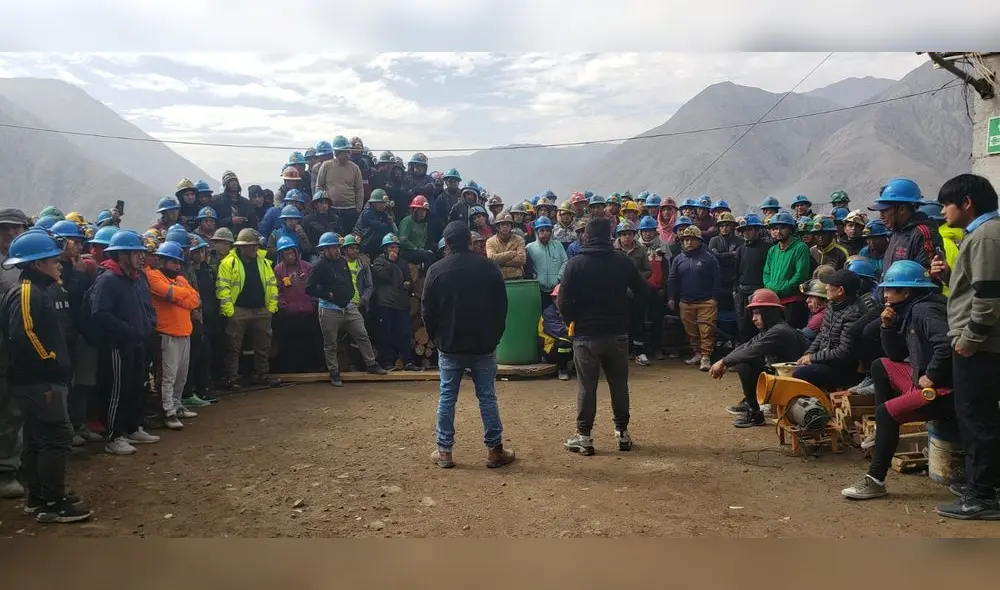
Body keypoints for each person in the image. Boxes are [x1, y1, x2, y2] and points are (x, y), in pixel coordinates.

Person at [840, 260, 954, 501]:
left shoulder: (924, 310)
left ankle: (875, 480)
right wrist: (887, 326)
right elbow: (894, 355)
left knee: (887, 413)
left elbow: (946, 344)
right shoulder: (909, 310)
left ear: (907, 292)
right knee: (880, 365)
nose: (885, 294)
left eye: (890, 289)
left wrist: (932, 375)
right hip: (921, 379)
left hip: (943, 390)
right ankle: (883, 432)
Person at [0, 230, 92, 522]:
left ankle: (38, 497)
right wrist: (50, 363)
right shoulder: (27, 292)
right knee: (56, 437)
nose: (59, 265)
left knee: (37, 438)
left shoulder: (35, 290)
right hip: (39, 382)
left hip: (35, 381)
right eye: (53, 260)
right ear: (38, 264)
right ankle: (53, 503)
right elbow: (24, 335)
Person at [931, 173, 1000, 520]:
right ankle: (984, 484)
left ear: (967, 202)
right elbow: (975, 288)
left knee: (977, 419)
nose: (943, 211)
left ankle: (982, 496)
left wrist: (968, 339)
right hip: (980, 343)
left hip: (981, 346)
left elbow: (989, 297)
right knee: (980, 416)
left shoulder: (986, 236)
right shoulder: (980, 235)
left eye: (947, 204)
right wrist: (947, 276)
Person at [421, 221, 515, 469]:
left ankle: (444, 452)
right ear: (470, 242)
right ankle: (495, 451)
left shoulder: (436, 270)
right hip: (483, 345)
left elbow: (427, 311)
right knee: (487, 396)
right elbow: (501, 307)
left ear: (447, 244)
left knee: (447, 397)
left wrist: (437, 339)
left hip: (450, 346)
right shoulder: (489, 267)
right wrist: (494, 336)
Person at [557, 217, 647, 456]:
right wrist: (626, 312)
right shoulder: (623, 261)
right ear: (610, 236)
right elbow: (642, 291)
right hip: (617, 333)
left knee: (587, 387)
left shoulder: (575, 264)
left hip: (586, 335)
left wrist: (572, 320)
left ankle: (584, 437)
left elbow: (562, 302)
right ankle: (622, 434)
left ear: (586, 236)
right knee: (619, 384)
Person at [87, 231, 160, 456]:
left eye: (141, 252)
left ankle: (132, 427)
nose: (141, 257)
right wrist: (128, 331)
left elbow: (147, 306)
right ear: (122, 255)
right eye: (136, 253)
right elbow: (100, 315)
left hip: (138, 342)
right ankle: (114, 436)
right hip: (117, 345)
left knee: (135, 387)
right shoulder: (108, 280)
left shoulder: (138, 278)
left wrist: (148, 325)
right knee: (116, 390)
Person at [709, 289, 810, 427]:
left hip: (796, 380)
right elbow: (747, 346)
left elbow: (751, 351)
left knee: (745, 362)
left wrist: (723, 362)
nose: (753, 318)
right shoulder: (771, 329)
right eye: (753, 313)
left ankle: (754, 412)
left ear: (768, 313)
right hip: (784, 375)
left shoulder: (779, 331)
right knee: (745, 359)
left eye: (757, 313)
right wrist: (725, 362)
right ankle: (751, 405)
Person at [306, 233, 386, 387]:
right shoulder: (318, 266)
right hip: (329, 308)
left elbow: (348, 280)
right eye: (334, 248)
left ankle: (371, 364)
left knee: (362, 334)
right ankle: (334, 372)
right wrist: (327, 294)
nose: (337, 250)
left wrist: (349, 294)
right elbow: (309, 288)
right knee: (331, 343)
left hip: (348, 306)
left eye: (338, 247)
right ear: (325, 249)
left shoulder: (342, 261)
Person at [216, 228, 281, 390]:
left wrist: (271, 307)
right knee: (233, 347)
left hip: (261, 309)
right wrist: (229, 311)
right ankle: (231, 378)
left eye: (256, 245)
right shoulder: (228, 263)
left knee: (263, 346)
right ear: (242, 247)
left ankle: (262, 374)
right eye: (252, 246)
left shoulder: (264, 261)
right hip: (239, 310)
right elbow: (222, 287)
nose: (255, 249)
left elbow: (272, 284)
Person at [146, 242, 200, 431]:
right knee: (167, 377)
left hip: (184, 333)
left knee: (180, 376)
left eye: (179, 262)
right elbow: (168, 294)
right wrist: (184, 295)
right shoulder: (153, 275)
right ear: (162, 261)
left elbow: (195, 300)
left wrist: (179, 296)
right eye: (173, 262)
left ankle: (176, 405)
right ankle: (168, 412)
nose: (177, 266)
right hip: (166, 334)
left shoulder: (180, 278)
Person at [792, 269, 863, 390]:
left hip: (843, 368)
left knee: (801, 373)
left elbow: (843, 352)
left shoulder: (854, 313)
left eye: (830, 285)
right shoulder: (832, 305)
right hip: (826, 359)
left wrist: (813, 358)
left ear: (840, 290)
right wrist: (809, 353)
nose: (826, 288)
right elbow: (822, 333)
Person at [668, 225, 721, 371]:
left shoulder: (709, 258)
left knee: (706, 331)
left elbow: (717, 279)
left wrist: (714, 299)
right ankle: (697, 353)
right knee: (691, 331)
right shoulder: (678, 259)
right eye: (686, 240)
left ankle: (706, 357)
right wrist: (671, 297)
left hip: (706, 302)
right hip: (685, 302)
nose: (689, 242)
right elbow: (672, 279)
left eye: (692, 239)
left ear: (699, 241)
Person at [271, 236, 321, 374]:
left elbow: (315, 287)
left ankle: (310, 370)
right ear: (281, 255)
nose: (290, 256)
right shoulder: (278, 270)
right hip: (289, 316)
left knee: (309, 343)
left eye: (292, 252)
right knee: (289, 344)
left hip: (308, 313)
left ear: (296, 252)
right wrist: (284, 306)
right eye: (286, 253)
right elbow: (277, 291)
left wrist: (312, 303)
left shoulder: (307, 266)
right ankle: (291, 371)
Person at [371, 234, 420, 371]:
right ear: (385, 248)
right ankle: (387, 362)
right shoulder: (379, 261)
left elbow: (408, 279)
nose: (394, 250)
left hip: (401, 303)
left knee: (404, 333)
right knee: (385, 334)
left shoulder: (403, 262)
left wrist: (408, 284)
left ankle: (408, 362)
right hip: (385, 303)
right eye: (391, 247)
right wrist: (391, 262)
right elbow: (382, 276)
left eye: (396, 247)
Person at [762, 212, 812, 329]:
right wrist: (770, 287)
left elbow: (801, 275)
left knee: (790, 333)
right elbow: (766, 273)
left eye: (782, 228)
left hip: (793, 301)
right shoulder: (772, 250)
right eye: (775, 228)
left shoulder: (801, 247)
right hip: (775, 301)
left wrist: (781, 288)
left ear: (790, 229)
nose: (778, 232)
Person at [613, 220, 652, 365]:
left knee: (638, 320)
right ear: (619, 236)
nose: (627, 237)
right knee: (620, 321)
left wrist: (636, 280)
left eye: (630, 234)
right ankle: (622, 351)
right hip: (618, 293)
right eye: (624, 234)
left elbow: (648, 270)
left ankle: (639, 351)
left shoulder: (640, 250)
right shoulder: (613, 250)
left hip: (637, 292)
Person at [316, 136, 366, 235]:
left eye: (348, 151)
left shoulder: (355, 168)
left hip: (350, 210)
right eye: (344, 152)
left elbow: (359, 190)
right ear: (336, 152)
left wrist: (358, 209)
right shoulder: (326, 166)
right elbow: (319, 186)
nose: (348, 154)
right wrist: (321, 205)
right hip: (331, 210)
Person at [733, 214, 770, 343]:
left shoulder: (767, 248)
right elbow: (736, 272)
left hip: (759, 293)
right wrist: (736, 290)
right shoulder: (741, 249)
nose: (746, 233)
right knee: (743, 327)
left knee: (760, 326)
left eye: (749, 230)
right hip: (742, 293)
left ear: (757, 230)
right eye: (743, 230)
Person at [526, 215, 568, 309]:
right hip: (538, 290)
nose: (545, 233)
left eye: (548, 230)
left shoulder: (558, 245)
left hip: (556, 290)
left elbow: (565, 261)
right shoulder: (530, 247)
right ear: (536, 232)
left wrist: (559, 278)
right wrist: (535, 278)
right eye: (542, 230)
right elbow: (528, 267)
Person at [539, 283, 574, 381]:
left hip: (570, 340)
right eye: (558, 298)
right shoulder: (549, 314)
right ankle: (562, 369)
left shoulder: (570, 311)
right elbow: (561, 333)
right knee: (564, 344)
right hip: (550, 349)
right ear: (553, 299)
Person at [354, 189, 398, 259]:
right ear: (374, 203)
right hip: (364, 240)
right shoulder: (368, 213)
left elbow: (391, 225)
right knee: (380, 236)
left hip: (373, 238)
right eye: (380, 203)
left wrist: (389, 213)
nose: (383, 205)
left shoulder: (382, 211)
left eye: (384, 203)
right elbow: (381, 227)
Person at [397, 195, 436, 268]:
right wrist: (415, 248)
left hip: (418, 249)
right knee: (429, 256)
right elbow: (403, 240)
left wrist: (421, 248)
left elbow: (423, 240)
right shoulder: (407, 221)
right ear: (414, 211)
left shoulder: (424, 224)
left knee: (436, 248)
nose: (422, 213)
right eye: (420, 210)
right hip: (406, 251)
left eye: (424, 210)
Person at [486, 212, 527, 280]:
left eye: (508, 224)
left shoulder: (519, 239)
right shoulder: (490, 241)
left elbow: (521, 260)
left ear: (511, 226)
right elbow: (491, 259)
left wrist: (500, 262)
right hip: (498, 278)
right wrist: (510, 254)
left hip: (517, 277)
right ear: (497, 227)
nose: (505, 226)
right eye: (502, 224)